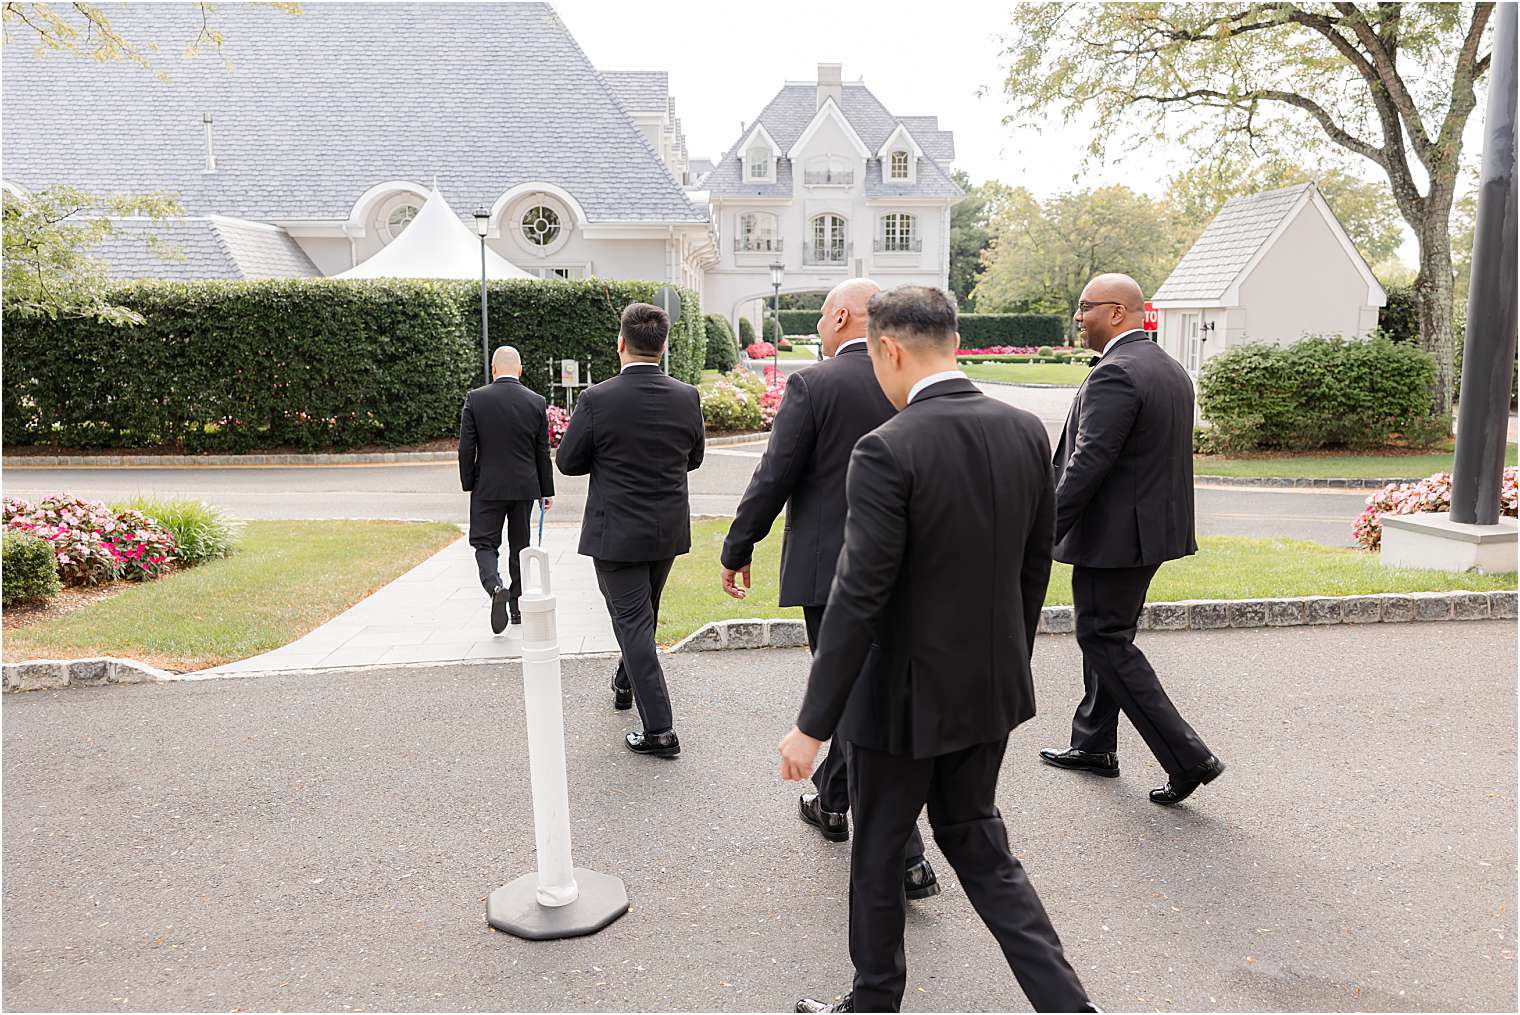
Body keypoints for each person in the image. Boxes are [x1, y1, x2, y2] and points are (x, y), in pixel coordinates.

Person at [779, 286, 1092, 1014]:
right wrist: (1005, 661)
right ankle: (1072, 1007)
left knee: (879, 852)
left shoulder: (887, 448)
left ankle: (874, 1001)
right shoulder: (1023, 431)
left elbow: (858, 597)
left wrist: (812, 723)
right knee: (981, 846)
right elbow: (1033, 568)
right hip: (990, 689)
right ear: (953, 341)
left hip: (898, 705)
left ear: (888, 349)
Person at [720, 278, 938, 902]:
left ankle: (907, 857)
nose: (819, 326)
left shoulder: (815, 385)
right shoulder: (915, 380)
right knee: (866, 694)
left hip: (833, 572)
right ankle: (835, 800)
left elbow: (775, 474)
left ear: (842, 316)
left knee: (851, 701)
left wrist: (739, 547)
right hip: (907, 567)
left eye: (821, 316)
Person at [1038, 273, 1226, 806]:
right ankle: (1094, 743)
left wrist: (1042, 531)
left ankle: (1187, 757)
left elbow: (1086, 464)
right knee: (1108, 632)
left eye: (1085, 308)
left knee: (1105, 640)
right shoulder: (1167, 368)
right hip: (1147, 535)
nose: (1078, 317)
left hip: (1114, 539)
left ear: (1118, 313)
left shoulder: (1117, 373)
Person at [556, 303, 705, 757]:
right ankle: (626, 682)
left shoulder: (597, 399)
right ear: (665, 345)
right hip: (665, 529)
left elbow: (567, 461)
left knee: (635, 623)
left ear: (621, 343)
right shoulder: (687, 395)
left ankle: (660, 728)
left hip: (617, 531)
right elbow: (693, 458)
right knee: (642, 616)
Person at [458, 345, 554, 634]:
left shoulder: (476, 399)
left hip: (487, 486)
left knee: (485, 543)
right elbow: (542, 451)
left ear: (493, 369)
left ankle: (495, 586)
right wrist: (545, 490)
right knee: (520, 547)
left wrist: (469, 482)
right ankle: (516, 606)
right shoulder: (536, 402)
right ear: (520, 369)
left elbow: (466, 448)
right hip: (525, 487)